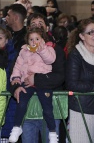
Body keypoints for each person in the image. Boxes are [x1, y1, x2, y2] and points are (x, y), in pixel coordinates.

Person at [14, 13, 65, 143]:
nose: (37, 26)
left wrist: (36, 79)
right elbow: (15, 70)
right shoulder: (22, 49)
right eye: (33, 24)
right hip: (28, 109)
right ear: (28, 29)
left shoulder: (55, 49)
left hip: (49, 103)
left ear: (47, 28)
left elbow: (60, 75)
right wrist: (16, 86)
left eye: (41, 24)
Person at [9, 27, 58, 143]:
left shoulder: (48, 49)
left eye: (37, 39)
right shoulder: (24, 51)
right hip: (26, 82)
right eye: (31, 39)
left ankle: (52, 132)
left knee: (47, 108)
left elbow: (50, 60)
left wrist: (42, 50)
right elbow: (17, 66)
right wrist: (16, 78)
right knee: (21, 103)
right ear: (27, 41)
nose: (34, 42)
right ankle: (16, 128)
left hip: (42, 83)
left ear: (43, 40)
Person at [66, 18, 94, 143]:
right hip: (81, 108)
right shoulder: (76, 55)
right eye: (91, 32)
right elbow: (71, 84)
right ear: (82, 36)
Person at [0, 27, 18, 142]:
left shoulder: (13, 56)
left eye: (0, 38)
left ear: (7, 40)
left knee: (7, 133)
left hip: (9, 99)